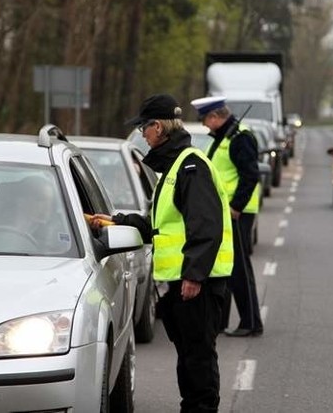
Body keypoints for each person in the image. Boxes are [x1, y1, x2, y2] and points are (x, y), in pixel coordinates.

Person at [89, 93, 234, 413]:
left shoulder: (191, 166)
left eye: (144, 127)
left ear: (158, 126)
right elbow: (159, 224)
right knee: (188, 356)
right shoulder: (175, 166)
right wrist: (115, 222)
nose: (142, 134)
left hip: (199, 283)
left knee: (198, 357)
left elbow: (205, 226)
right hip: (181, 281)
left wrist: (194, 275)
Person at [190, 96, 264, 337]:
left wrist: (236, 207)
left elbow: (250, 175)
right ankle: (222, 322)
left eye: (204, 120)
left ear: (215, 117)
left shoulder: (240, 138)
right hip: (225, 213)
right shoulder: (225, 136)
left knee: (239, 270)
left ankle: (250, 323)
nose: (204, 125)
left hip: (237, 214)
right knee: (228, 268)